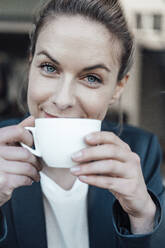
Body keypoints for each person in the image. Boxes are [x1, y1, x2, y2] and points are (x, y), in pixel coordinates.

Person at [0, 0, 164, 247]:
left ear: (118, 87)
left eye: (91, 78)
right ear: (30, 63)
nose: (63, 99)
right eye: (48, 67)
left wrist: (143, 217)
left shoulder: (141, 150)